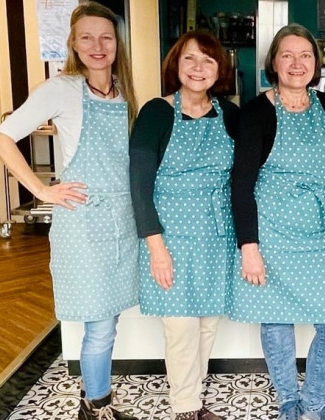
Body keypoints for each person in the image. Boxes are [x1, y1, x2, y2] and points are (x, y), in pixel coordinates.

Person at [0, 2, 141, 419]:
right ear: (73, 43)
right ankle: (96, 407)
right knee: (99, 324)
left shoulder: (123, 90)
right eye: (87, 37)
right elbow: (2, 139)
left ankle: (93, 401)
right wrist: (42, 189)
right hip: (84, 223)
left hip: (121, 218)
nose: (98, 45)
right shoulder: (62, 89)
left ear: (117, 43)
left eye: (106, 37)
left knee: (109, 319)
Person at [228, 23, 325, 420]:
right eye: (287, 55)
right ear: (274, 63)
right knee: (277, 321)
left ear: (315, 63)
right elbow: (241, 184)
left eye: (305, 55)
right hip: (273, 232)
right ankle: (287, 403)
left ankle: (312, 404)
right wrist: (249, 247)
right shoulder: (256, 112)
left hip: (322, 230)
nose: (297, 64)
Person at [129, 29, 238, 420]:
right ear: (175, 64)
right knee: (180, 328)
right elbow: (139, 185)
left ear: (219, 70)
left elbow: (246, 172)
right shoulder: (156, 113)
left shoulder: (230, 114)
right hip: (170, 238)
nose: (198, 68)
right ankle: (186, 408)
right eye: (189, 58)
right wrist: (156, 249)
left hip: (217, 237)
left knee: (207, 325)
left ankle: (192, 399)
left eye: (208, 60)